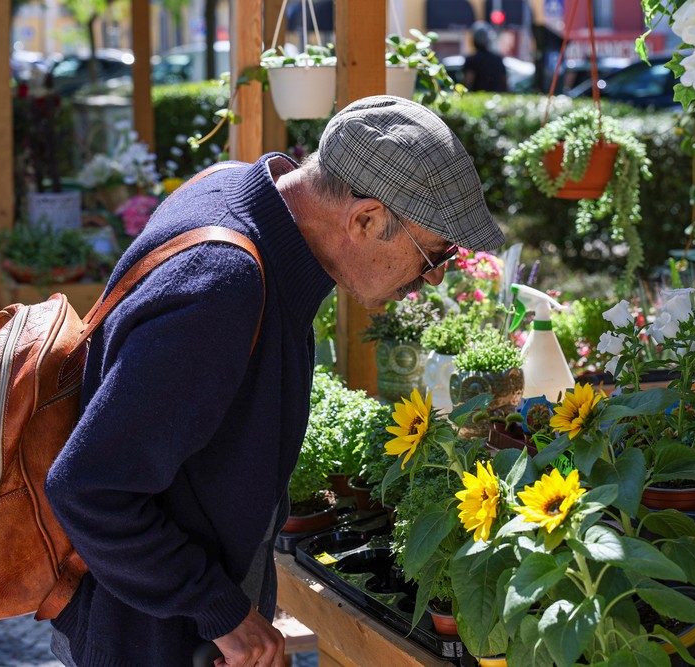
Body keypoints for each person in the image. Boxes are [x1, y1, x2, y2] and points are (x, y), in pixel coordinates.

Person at [43, 95, 505, 667]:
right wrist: (220, 611)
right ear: (363, 219)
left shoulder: (238, 189)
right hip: (146, 637)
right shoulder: (223, 285)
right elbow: (87, 487)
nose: (431, 281)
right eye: (433, 256)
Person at [463, 21, 507, 93]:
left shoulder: (471, 60)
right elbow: (504, 83)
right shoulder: (498, 59)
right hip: (497, 99)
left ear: (474, 40)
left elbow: (468, 82)